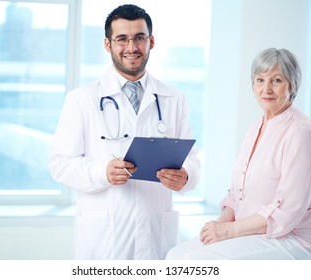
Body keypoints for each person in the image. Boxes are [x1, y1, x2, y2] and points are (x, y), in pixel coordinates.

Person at [48, 4, 200, 260]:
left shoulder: (174, 98)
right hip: (104, 238)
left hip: (154, 236)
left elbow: (192, 158)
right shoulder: (82, 99)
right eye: (122, 39)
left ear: (151, 41)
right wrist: (102, 172)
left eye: (139, 38)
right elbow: (59, 164)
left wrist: (186, 176)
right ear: (108, 44)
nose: (132, 47)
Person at [166, 48, 311, 260]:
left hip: (294, 238)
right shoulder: (255, 129)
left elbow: (287, 211)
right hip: (251, 232)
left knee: (196, 262)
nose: (266, 88)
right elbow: (236, 195)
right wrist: (219, 225)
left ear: (292, 85)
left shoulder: (300, 132)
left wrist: (229, 231)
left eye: (276, 80)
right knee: (175, 256)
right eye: (260, 80)